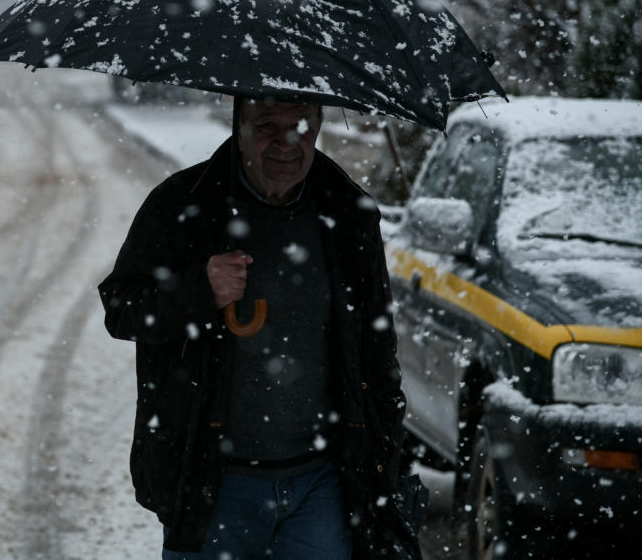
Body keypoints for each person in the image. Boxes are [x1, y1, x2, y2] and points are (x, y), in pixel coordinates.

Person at [98, 97, 420, 559]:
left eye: (302, 125)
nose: (288, 142)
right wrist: (198, 288)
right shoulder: (183, 204)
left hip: (323, 487)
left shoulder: (349, 213)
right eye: (268, 124)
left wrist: (383, 460)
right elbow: (122, 308)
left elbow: (377, 348)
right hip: (214, 483)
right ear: (239, 125)